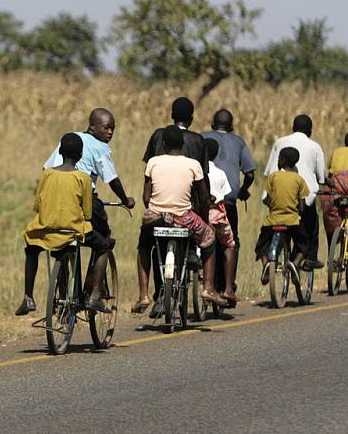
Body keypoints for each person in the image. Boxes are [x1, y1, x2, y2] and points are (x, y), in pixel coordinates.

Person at [43, 108, 136, 307]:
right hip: (83, 200)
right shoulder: (100, 147)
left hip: (57, 201)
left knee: (64, 241)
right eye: (106, 127)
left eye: (113, 128)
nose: (110, 132)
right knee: (103, 241)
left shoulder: (69, 139)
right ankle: (94, 293)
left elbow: (47, 167)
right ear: (92, 126)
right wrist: (125, 199)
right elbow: (111, 179)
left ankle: (63, 295)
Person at [15, 133, 115, 315]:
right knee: (104, 245)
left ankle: (28, 297)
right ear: (80, 155)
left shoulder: (47, 174)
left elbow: (37, 204)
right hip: (72, 230)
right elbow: (87, 212)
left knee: (31, 249)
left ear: (60, 152)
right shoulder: (83, 178)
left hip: (46, 230)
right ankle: (95, 295)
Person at [134, 97, 209, 315]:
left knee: (151, 245)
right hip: (187, 209)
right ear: (192, 118)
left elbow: (147, 189)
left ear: (171, 115)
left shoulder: (158, 136)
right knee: (200, 236)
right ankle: (205, 280)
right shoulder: (198, 141)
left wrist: (152, 205)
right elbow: (204, 184)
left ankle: (150, 294)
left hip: (158, 210)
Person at [139, 126, 226, 307]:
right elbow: (203, 197)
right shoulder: (193, 164)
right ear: (182, 144)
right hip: (183, 217)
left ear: (163, 144)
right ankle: (208, 288)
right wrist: (203, 218)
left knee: (144, 247)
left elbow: (146, 198)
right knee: (210, 239)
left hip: (156, 216)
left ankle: (143, 295)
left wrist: (157, 209)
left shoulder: (153, 162)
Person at [201, 109, 255, 295]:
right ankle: (228, 287)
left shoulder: (201, 137)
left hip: (201, 202)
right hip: (227, 203)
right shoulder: (239, 142)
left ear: (212, 125)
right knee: (232, 242)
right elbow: (249, 173)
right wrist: (243, 191)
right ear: (231, 127)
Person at [263, 115, 325, 269]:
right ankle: (309, 258)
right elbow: (321, 177)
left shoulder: (279, 142)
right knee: (311, 226)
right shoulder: (315, 146)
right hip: (301, 201)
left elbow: (267, 172)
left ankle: (270, 258)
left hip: (276, 197)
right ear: (310, 130)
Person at [256, 147, 311, 284]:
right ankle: (295, 263)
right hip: (292, 221)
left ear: (283, 160)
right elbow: (302, 206)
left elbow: (268, 198)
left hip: (272, 221)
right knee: (304, 243)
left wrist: (272, 206)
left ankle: (266, 264)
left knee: (261, 245)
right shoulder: (299, 179)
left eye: (279, 158)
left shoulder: (273, 176)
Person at [204, 138, 238, 303]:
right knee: (229, 244)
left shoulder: (197, 171)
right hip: (217, 215)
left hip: (201, 216)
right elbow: (224, 196)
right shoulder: (220, 173)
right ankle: (228, 288)